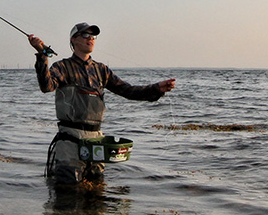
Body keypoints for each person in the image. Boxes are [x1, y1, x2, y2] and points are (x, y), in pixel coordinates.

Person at [28, 22, 175, 185]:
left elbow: (128, 91)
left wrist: (157, 89)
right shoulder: (62, 67)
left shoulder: (101, 70)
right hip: (69, 140)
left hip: (97, 141)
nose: (90, 39)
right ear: (73, 40)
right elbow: (46, 86)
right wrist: (42, 54)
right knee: (67, 195)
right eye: (85, 35)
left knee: (97, 194)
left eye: (93, 36)